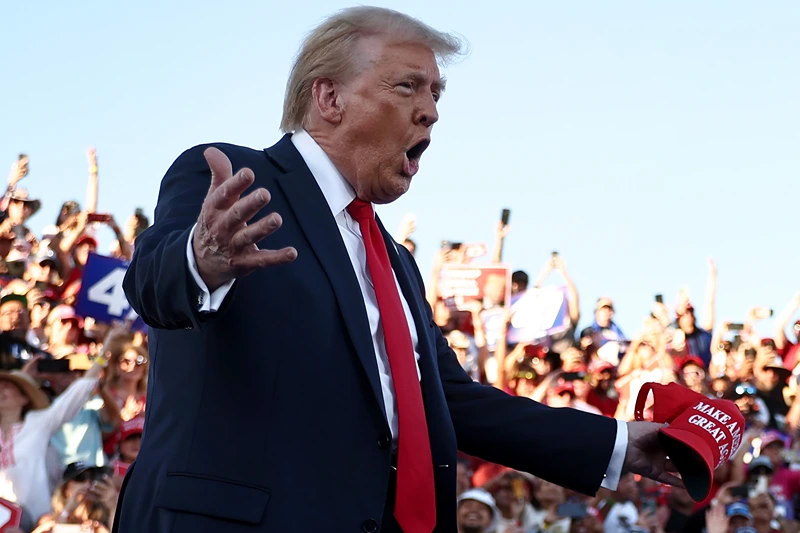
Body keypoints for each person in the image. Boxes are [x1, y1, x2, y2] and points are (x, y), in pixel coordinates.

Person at [117, 7, 682, 533]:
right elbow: (151, 283)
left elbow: (450, 400)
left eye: (437, 92)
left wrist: (617, 445)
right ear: (330, 98)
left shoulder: (396, 261)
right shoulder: (235, 180)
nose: (431, 109)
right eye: (408, 85)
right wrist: (201, 259)